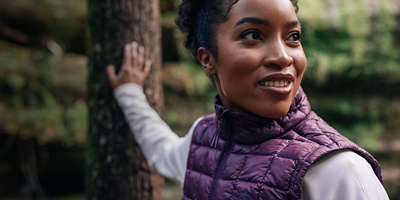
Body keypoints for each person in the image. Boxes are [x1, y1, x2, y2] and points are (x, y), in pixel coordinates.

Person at [106, 0, 389, 199]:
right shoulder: (204, 140)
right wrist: (129, 91)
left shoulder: (339, 170)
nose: (283, 56)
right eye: (253, 35)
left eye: (293, 36)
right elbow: (161, 149)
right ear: (208, 60)